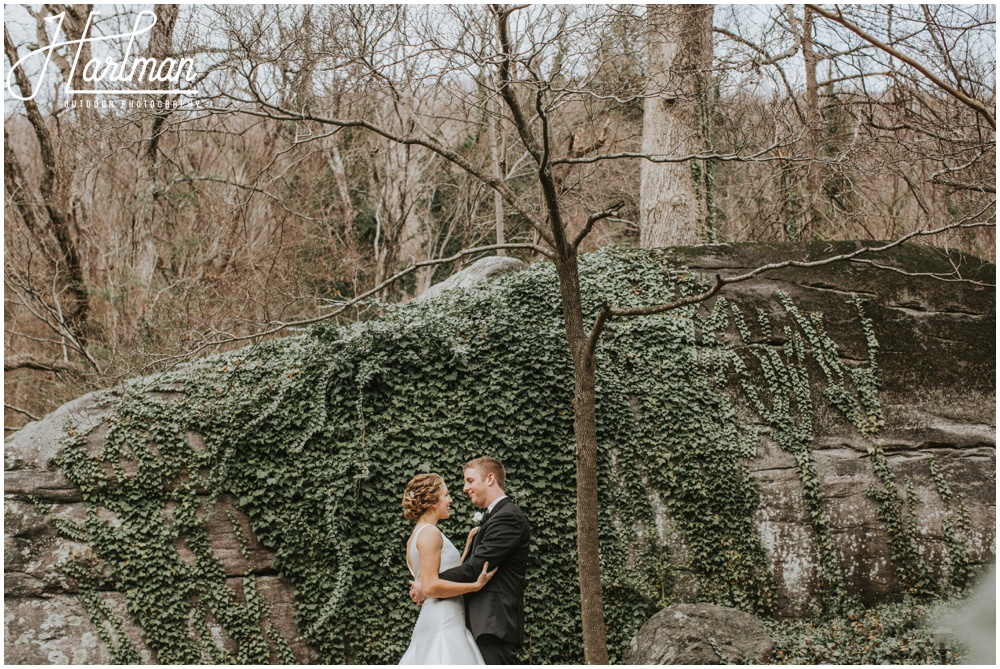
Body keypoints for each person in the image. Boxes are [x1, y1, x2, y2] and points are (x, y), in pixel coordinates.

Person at [411, 457, 530, 665]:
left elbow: (476, 568)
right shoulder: (495, 518)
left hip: (493, 625)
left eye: (470, 480)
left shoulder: (508, 517)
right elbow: (472, 565)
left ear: (490, 479)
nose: (465, 488)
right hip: (477, 625)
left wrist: (428, 584)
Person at [399, 473, 496, 665]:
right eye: (446, 495)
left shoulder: (416, 536)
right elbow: (431, 586)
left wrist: (468, 545)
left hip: (442, 615)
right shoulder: (430, 533)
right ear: (433, 502)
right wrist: (475, 586)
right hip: (443, 618)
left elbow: (443, 572)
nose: (450, 500)